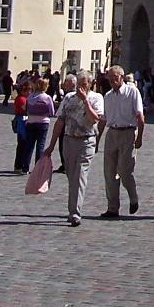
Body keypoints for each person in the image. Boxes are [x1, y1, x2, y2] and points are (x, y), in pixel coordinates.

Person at [46, 71, 104, 226]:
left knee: (80, 175)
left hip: (87, 141)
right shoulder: (68, 98)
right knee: (72, 176)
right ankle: (73, 207)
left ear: (91, 84)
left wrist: (85, 101)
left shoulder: (96, 98)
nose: (80, 88)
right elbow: (60, 121)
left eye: (84, 84)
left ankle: (75, 213)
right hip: (68, 140)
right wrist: (51, 146)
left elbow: (94, 119)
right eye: (79, 84)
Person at [99, 64, 145, 218]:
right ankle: (113, 207)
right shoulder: (108, 96)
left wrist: (139, 137)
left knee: (125, 171)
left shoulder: (132, 92)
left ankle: (133, 197)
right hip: (112, 133)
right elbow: (103, 120)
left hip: (128, 132)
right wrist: (98, 138)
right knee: (109, 173)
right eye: (110, 79)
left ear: (122, 77)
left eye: (115, 78)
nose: (113, 81)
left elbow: (140, 116)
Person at [20, 74, 56, 172]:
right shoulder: (47, 97)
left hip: (31, 121)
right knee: (40, 145)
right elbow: (52, 112)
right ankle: (38, 168)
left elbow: (26, 109)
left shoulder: (30, 97)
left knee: (29, 145)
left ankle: (25, 167)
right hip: (43, 122)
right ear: (45, 86)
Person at [56, 74, 77, 169]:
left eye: (66, 82)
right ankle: (65, 163)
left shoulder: (70, 95)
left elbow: (60, 113)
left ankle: (66, 164)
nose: (64, 84)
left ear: (72, 84)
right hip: (67, 123)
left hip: (67, 124)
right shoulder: (68, 94)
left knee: (64, 145)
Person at [12, 79, 30, 172]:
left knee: (22, 144)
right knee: (22, 144)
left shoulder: (22, 98)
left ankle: (19, 165)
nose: (29, 92)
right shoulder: (21, 99)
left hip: (22, 121)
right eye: (28, 91)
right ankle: (19, 165)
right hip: (22, 122)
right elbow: (25, 110)